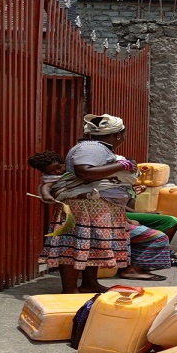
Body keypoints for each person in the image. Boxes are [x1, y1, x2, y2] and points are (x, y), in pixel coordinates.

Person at [39, 114, 137, 293]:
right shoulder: (93, 148)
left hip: (94, 206)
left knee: (92, 246)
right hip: (84, 207)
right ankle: (69, 289)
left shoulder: (96, 147)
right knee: (73, 246)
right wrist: (123, 166)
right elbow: (84, 172)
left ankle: (89, 284)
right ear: (118, 135)